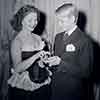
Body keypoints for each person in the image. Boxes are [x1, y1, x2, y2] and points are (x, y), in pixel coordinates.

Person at [45, 3, 94, 100]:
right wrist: (48, 61)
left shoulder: (84, 40)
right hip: (55, 88)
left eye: (61, 21)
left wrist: (60, 63)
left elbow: (86, 72)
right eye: (58, 21)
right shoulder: (58, 37)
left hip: (72, 92)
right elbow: (57, 58)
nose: (59, 24)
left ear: (72, 19)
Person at [8, 5, 51, 100]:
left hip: (41, 82)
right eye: (30, 20)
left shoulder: (38, 37)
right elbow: (17, 68)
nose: (33, 23)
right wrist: (36, 56)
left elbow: (40, 63)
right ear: (22, 20)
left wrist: (44, 61)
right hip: (24, 87)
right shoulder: (17, 41)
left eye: (35, 20)